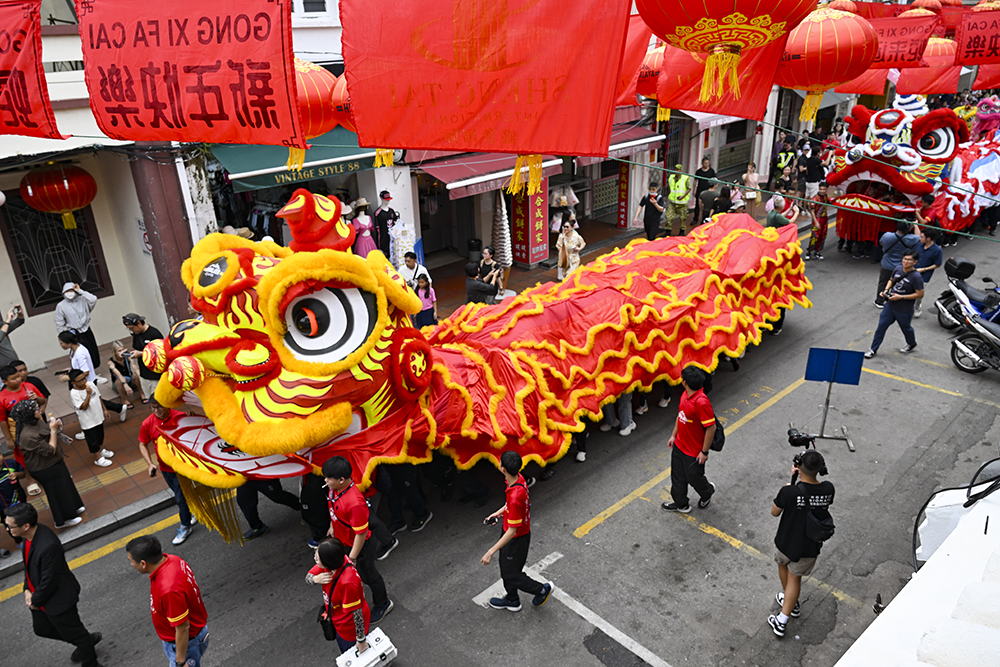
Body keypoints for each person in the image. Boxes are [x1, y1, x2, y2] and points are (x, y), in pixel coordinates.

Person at [6, 503, 102, 667]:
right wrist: (27, 589)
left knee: (77, 634)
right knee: (42, 629)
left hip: (58, 599)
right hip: (40, 597)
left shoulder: (47, 545)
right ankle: (85, 640)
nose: (8, 530)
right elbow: (30, 566)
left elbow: (49, 580)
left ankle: (90, 660)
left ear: (26, 526)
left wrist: (35, 601)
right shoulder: (30, 537)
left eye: (10, 526)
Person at [768, 450, 834, 638]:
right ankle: (791, 603)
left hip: (787, 541)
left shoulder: (789, 492)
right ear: (820, 468)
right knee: (795, 578)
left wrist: (791, 484)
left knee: (783, 567)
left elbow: (775, 512)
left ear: (798, 468)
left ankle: (782, 620)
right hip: (810, 546)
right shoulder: (829, 488)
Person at [322, 456, 394, 623]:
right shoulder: (334, 489)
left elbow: (361, 534)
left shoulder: (355, 503)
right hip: (344, 541)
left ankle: (383, 603)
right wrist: (333, 527)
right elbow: (333, 506)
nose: (325, 481)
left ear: (341, 480)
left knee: (369, 575)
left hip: (359, 546)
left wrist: (353, 557)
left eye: (328, 478)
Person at [480, 450, 553, 612]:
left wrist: (490, 551)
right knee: (507, 570)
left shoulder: (514, 496)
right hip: (515, 533)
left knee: (512, 574)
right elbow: (512, 505)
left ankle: (542, 589)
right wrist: (498, 513)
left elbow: (512, 531)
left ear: (503, 469)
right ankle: (512, 599)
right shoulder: (517, 480)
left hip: (515, 539)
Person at [125, 535, 209, 667]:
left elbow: (183, 628)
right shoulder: (173, 560)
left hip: (185, 646)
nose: (131, 564)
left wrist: (180, 662)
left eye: (131, 561)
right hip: (188, 638)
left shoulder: (169, 590)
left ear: (143, 564)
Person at [10, 400, 85, 529]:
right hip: (44, 468)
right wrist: (53, 431)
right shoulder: (27, 435)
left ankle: (75, 507)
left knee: (66, 484)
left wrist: (55, 427)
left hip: (54, 462)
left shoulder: (35, 421)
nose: (39, 410)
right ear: (28, 414)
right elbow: (50, 450)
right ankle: (63, 520)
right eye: (36, 409)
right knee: (57, 492)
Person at [138, 400, 198, 546]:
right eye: (153, 407)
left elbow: (195, 435)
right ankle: (194, 511)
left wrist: (193, 420)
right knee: (181, 494)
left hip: (180, 468)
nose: (156, 410)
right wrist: (150, 463)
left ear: (167, 405)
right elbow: (142, 444)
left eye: (159, 406)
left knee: (180, 498)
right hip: (165, 469)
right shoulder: (147, 423)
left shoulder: (180, 417)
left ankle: (185, 526)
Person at [661, 366, 716, 514]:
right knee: (677, 476)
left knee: (694, 478)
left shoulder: (701, 402)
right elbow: (681, 416)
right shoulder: (685, 395)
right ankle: (681, 504)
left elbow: (711, 428)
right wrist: (674, 435)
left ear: (684, 382)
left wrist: (704, 452)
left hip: (694, 451)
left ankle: (707, 492)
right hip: (680, 445)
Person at [307, 538, 372, 655]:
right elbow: (308, 578)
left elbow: (357, 615)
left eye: (318, 557)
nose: (315, 558)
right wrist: (315, 579)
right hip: (337, 620)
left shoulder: (348, 583)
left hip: (348, 629)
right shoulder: (335, 560)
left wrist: (361, 640)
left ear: (328, 562)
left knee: (352, 655)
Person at [865, 249, 924, 358]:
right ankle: (873, 349)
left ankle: (911, 343)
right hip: (890, 306)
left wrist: (901, 297)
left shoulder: (916, 277)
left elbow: (920, 294)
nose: (906, 262)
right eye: (904, 259)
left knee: (906, 328)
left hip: (904, 309)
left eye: (909, 260)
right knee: (881, 327)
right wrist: (887, 290)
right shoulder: (898, 269)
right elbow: (891, 280)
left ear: (915, 262)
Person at [54, 283, 104, 384]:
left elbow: (93, 299)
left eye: (71, 291)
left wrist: (80, 291)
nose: (70, 293)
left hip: (86, 330)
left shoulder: (83, 299)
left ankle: (93, 373)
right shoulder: (61, 305)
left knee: (92, 352)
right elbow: (59, 322)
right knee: (79, 355)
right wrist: (64, 337)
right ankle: (82, 375)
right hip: (74, 333)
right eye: (67, 291)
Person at [68, 370, 115, 468]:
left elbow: (99, 397)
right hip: (88, 421)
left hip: (98, 416)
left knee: (100, 436)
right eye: (80, 380)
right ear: (73, 383)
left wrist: (105, 410)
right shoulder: (74, 393)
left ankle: (101, 450)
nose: (83, 381)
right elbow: (83, 407)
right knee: (92, 440)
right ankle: (97, 458)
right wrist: (88, 394)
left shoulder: (90, 384)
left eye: (84, 378)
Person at [0, 364, 47, 457]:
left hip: (37, 425)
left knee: (45, 449)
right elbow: (2, 420)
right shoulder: (2, 397)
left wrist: (37, 398)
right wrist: (9, 439)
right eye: (13, 379)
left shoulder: (29, 386)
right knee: (27, 457)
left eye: (18, 376)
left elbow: (43, 400)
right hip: (19, 430)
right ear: (5, 381)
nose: (18, 380)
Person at [236, 477, 302, 541]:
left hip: (262, 473)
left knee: (277, 496)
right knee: (243, 499)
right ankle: (257, 526)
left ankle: (305, 508)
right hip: (243, 475)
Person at [874, 221, 920, 308]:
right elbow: (919, 237)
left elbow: (881, 243)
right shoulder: (911, 239)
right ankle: (894, 300)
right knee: (898, 284)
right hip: (900, 266)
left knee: (883, 283)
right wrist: (916, 225)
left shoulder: (887, 236)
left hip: (886, 265)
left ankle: (880, 301)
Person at [122, 314, 164, 404]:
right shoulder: (136, 334)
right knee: (150, 401)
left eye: (132, 328)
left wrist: (141, 353)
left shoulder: (154, 333)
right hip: (144, 374)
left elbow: (161, 353)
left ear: (139, 323)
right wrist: (130, 353)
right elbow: (137, 349)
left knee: (159, 401)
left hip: (155, 374)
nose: (131, 331)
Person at [0, 455, 26, 556]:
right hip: (2, 506)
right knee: (9, 522)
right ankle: (19, 541)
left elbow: (23, 474)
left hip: (18, 498)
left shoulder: (10, 463)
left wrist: (16, 474)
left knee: (24, 515)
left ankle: (29, 534)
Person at [914, 228, 943, 317]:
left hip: (924, 276)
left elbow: (937, 264)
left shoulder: (937, 250)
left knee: (918, 294)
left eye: (922, 237)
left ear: (928, 239)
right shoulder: (918, 245)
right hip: (912, 272)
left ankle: (917, 307)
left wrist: (924, 269)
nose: (920, 238)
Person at [108, 341, 139, 408]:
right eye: (119, 351)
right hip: (119, 384)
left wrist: (131, 360)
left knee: (135, 375)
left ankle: (142, 394)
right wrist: (125, 385)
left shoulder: (126, 358)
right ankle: (124, 399)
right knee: (120, 379)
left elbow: (135, 369)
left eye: (123, 350)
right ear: (115, 352)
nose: (121, 352)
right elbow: (118, 374)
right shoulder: (110, 362)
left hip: (130, 381)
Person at [804, 182, 831, 260]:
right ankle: (808, 252)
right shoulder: (815, 198)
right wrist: (816, 222)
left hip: (825, 218)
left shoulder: (825, 196)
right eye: (821, 189)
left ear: (826, 189)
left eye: (824, 189)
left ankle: (817, 252)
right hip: (817, 219)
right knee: (815, 236)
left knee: (823, 236)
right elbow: (812, 211)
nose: (822, 191)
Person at [666, 167, 692, 236]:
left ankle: (682, 231)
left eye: (677, 169)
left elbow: (689, 188)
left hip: (682, 202)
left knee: (683, 217)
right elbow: (670, 187)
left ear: (681, 170)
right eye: (675, 169)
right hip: (672, 201)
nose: (676, 171)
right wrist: (667, 196)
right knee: (668, 216)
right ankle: (668, 231)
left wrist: (683, 196)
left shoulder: (685, 178)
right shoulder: (671, 177)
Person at [373, 190, 399, 259]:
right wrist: (379, 245)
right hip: (384, 238)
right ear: (381, 199)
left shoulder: (391, 211)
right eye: (386, 199)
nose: (387, 201)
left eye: (388, 199)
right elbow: (377, 230)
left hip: (393, 237)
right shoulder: (378, 213)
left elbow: (396, 223)